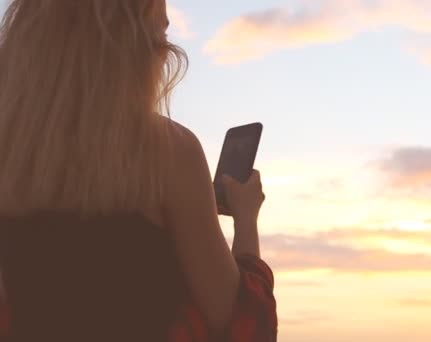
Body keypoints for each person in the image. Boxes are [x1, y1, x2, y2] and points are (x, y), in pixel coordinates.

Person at [0, 1, 277, 341]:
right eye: (160, 32)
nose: (165, 51)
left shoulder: (10, 154)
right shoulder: (165, 151)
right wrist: (245, 218)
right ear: (126, 45)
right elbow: (243, 325)